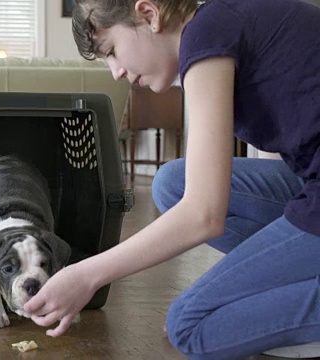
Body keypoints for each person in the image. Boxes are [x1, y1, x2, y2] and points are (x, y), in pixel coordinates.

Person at [22, 0, 320, 358]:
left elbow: (204, 215)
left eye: (112, 51)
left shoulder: (205, 36)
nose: (115, 71)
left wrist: (87, 275)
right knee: (171, 183)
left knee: (189, 325)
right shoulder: (222, 23)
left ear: (148, 14)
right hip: (308, 182)